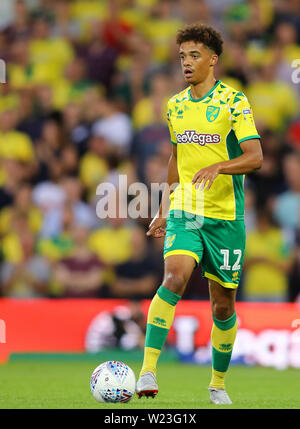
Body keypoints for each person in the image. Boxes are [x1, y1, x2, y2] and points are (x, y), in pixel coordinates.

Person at [136, 23, 263, 405]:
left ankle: (218, 384)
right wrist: (164, 205)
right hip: (186, 210)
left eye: (194, 56)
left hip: (226, 217)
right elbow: (176, 159)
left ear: (213, 60)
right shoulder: (174, 105)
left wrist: (220, 167)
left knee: (223, 304)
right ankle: (147, 371)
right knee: (174, 277)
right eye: (182, 57)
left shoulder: (234, 102)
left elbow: (256, 157)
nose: (186, 63)